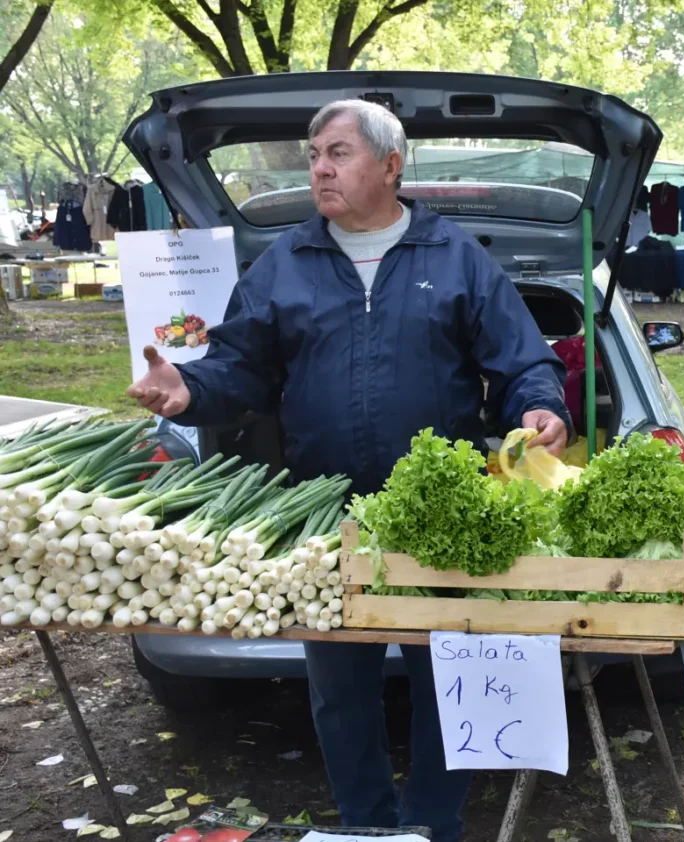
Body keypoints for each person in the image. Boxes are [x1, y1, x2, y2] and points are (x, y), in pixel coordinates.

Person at [125, 98, 572, 841]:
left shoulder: (454, 257)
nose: (319, 169)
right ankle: (364, 829)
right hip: (325, 513)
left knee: (445, 683)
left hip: (441, 518)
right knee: (340, 686)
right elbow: (238, 369)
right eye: (313, 156)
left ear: (392, 165)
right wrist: (190, 390)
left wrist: (538, 406)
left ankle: (431, 825)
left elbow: (522, 360)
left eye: (337, 153)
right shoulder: (286, 263)